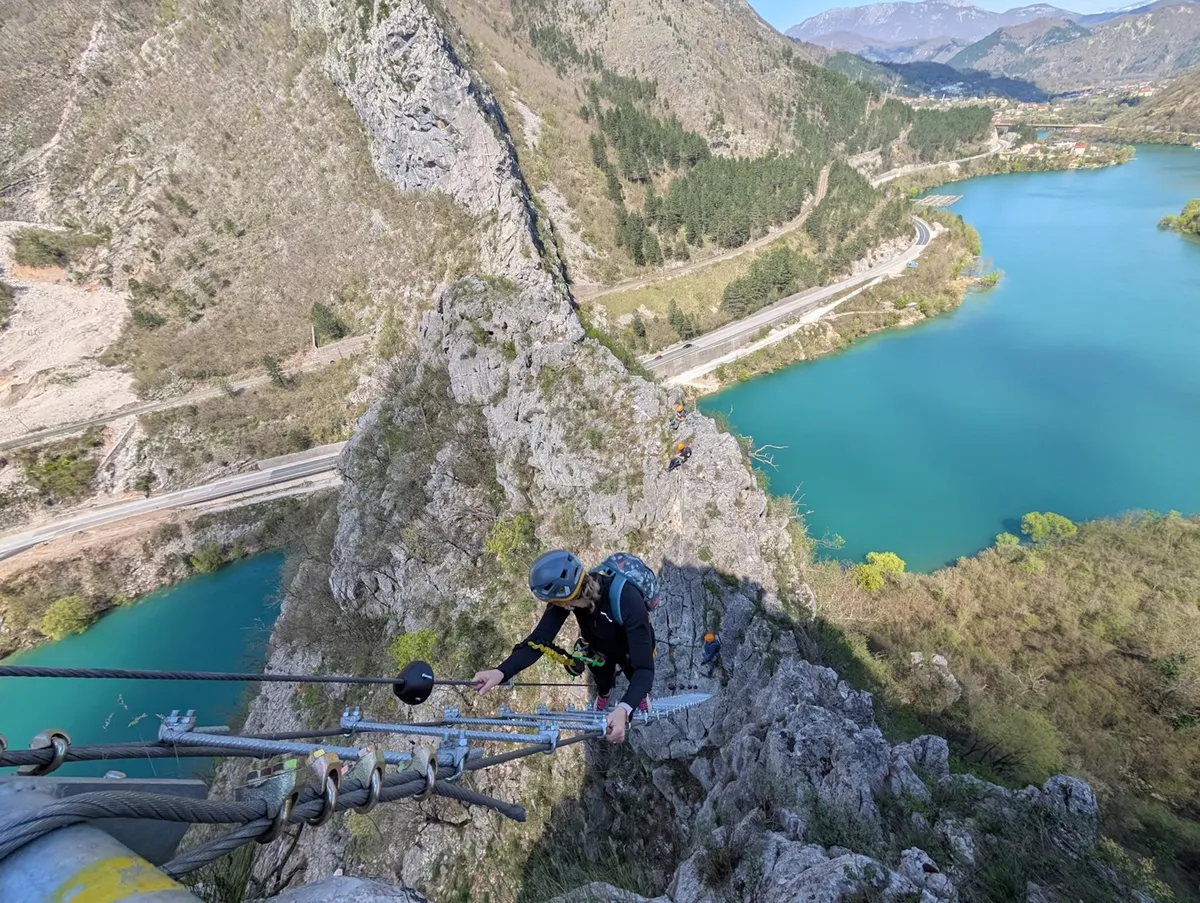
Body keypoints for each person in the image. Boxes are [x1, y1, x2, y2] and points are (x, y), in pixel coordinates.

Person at [473, 550, 655, 744]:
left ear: (562, 597)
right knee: (602, 676)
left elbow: (644, 669)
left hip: (631, 649)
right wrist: (501, 672)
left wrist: (624, 709)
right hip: (598, 649)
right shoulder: (570, 597)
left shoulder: (628, 600)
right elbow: (539, 640)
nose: (552, 605)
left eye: (552, 601)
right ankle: (605, 694)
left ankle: (637, 697)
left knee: (633, 673)